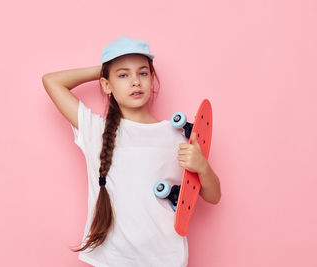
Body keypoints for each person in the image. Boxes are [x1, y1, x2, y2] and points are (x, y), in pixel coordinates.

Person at [42, 36, 221, 267]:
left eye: (143, 73)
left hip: (166, 258)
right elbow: (51, 81)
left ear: (152, 79)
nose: (135, 81)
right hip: (112, 259)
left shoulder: (176, 134)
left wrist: (202, 167)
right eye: (123, 75)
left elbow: (213, 196)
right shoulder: (95, 130)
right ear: (106, 85)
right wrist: (105, 69)